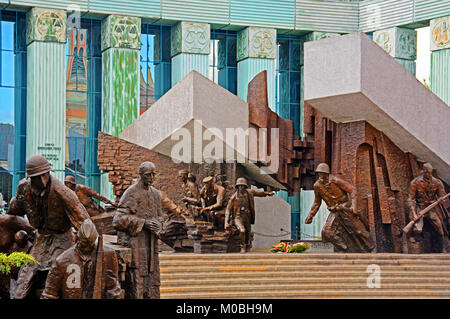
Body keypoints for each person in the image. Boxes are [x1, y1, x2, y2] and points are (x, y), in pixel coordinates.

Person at [7, 155, 90, 299]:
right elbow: (15, 208)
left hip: (62, 240)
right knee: (23, 281)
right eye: (36, 177)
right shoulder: (24, 188)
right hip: (40, 241)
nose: (42, 180)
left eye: (44, 175)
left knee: (55, 279)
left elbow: (84, 222)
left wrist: (87, 245)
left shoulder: (63, 193)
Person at [112, 162, 185, 299]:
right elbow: (117, 220)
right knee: (137, 284)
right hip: (136, 246)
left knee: (152, 284)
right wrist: (143, 223)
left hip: (151, 247)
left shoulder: (155, 194)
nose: (151, 178)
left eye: (153, 174)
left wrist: (160, 225)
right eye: (147, 175)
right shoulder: (131, 192)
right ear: (140, 175)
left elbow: (160, 216)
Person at [41, 219, 122, 299]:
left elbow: (113, 289)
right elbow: (49, 294)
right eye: (84, 243)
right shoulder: (62, 260)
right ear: (78, 238)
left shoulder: (107, 255)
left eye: (90, 243)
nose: (87, 246)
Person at [305, 163, 374, 253]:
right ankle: (345, 248)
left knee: (359, 231)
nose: (320, 175)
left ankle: (372, 247)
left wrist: (354, 206)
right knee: (327, 232)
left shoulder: (335, 180)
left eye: (322, 173)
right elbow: (317, 203)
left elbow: (352, 190)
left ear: (326, 173)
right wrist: (311, 215)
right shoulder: (317, 186)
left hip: (345, 208)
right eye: (319, 173)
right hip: (334, 211)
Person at [407, 162, 449, 253]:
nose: (428, 174)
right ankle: (416, 244)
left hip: (432, 208)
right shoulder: (415, 182)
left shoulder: (437, 182)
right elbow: (411, 199)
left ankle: (438, 251)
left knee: (439, 229)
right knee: (417, 229)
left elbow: (443, 196)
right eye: (426, 172)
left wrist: (442, 200)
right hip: (419, 207)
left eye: (430, 172)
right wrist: (414, 213)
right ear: (423, 171)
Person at [224, 177, 274, 253]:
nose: (241, 187)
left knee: (247, 233)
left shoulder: (250, 193)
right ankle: (242, 246)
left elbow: (259, 193)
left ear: (245, 187)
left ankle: (247, 246)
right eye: (240, 186)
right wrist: (226, 222)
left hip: (247, 216)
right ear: (237, 187)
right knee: (242, 230)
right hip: (238, 217)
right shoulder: (233, 198)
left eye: (243, 186)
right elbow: (228, 210)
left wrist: (267, 193)